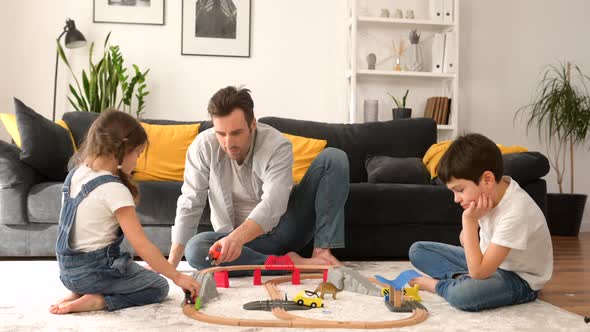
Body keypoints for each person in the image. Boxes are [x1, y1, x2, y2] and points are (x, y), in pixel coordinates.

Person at [165, 86, 349, 275]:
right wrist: (170, 264)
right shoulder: (203, 147)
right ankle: (289, 264)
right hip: (237, 245)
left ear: (252, 125)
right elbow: (190, 202)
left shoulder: (276, 145)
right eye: (221, 134)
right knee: (196, 249)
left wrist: (236, 238)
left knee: (333, 158)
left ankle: (322, 256)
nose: (228, 143)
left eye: (236, 133)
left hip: (283, 230)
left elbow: (274, 203)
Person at [50, 110, 200, 315]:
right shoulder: (114, 189)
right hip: (97, 272)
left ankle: (79, 291)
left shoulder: (77, 173)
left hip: (67, 273)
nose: (137, 161)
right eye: (137, 154)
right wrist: (177, 276)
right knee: (157, 286)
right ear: (123, 149)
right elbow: (142, 245)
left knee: (127, 268)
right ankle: (97, 300)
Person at [409, 133, 553, 312]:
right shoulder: (489, 194)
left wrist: (469, 221)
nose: (456, 199)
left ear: (487, 179)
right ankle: (463, 281)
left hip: (520, 279)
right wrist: (473, 225)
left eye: (459, 190)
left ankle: (441, 286)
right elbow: (465, 242)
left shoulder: (516, 211)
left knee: (463, 295)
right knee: (418, 250)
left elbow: (478, 273)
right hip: (488, 264)